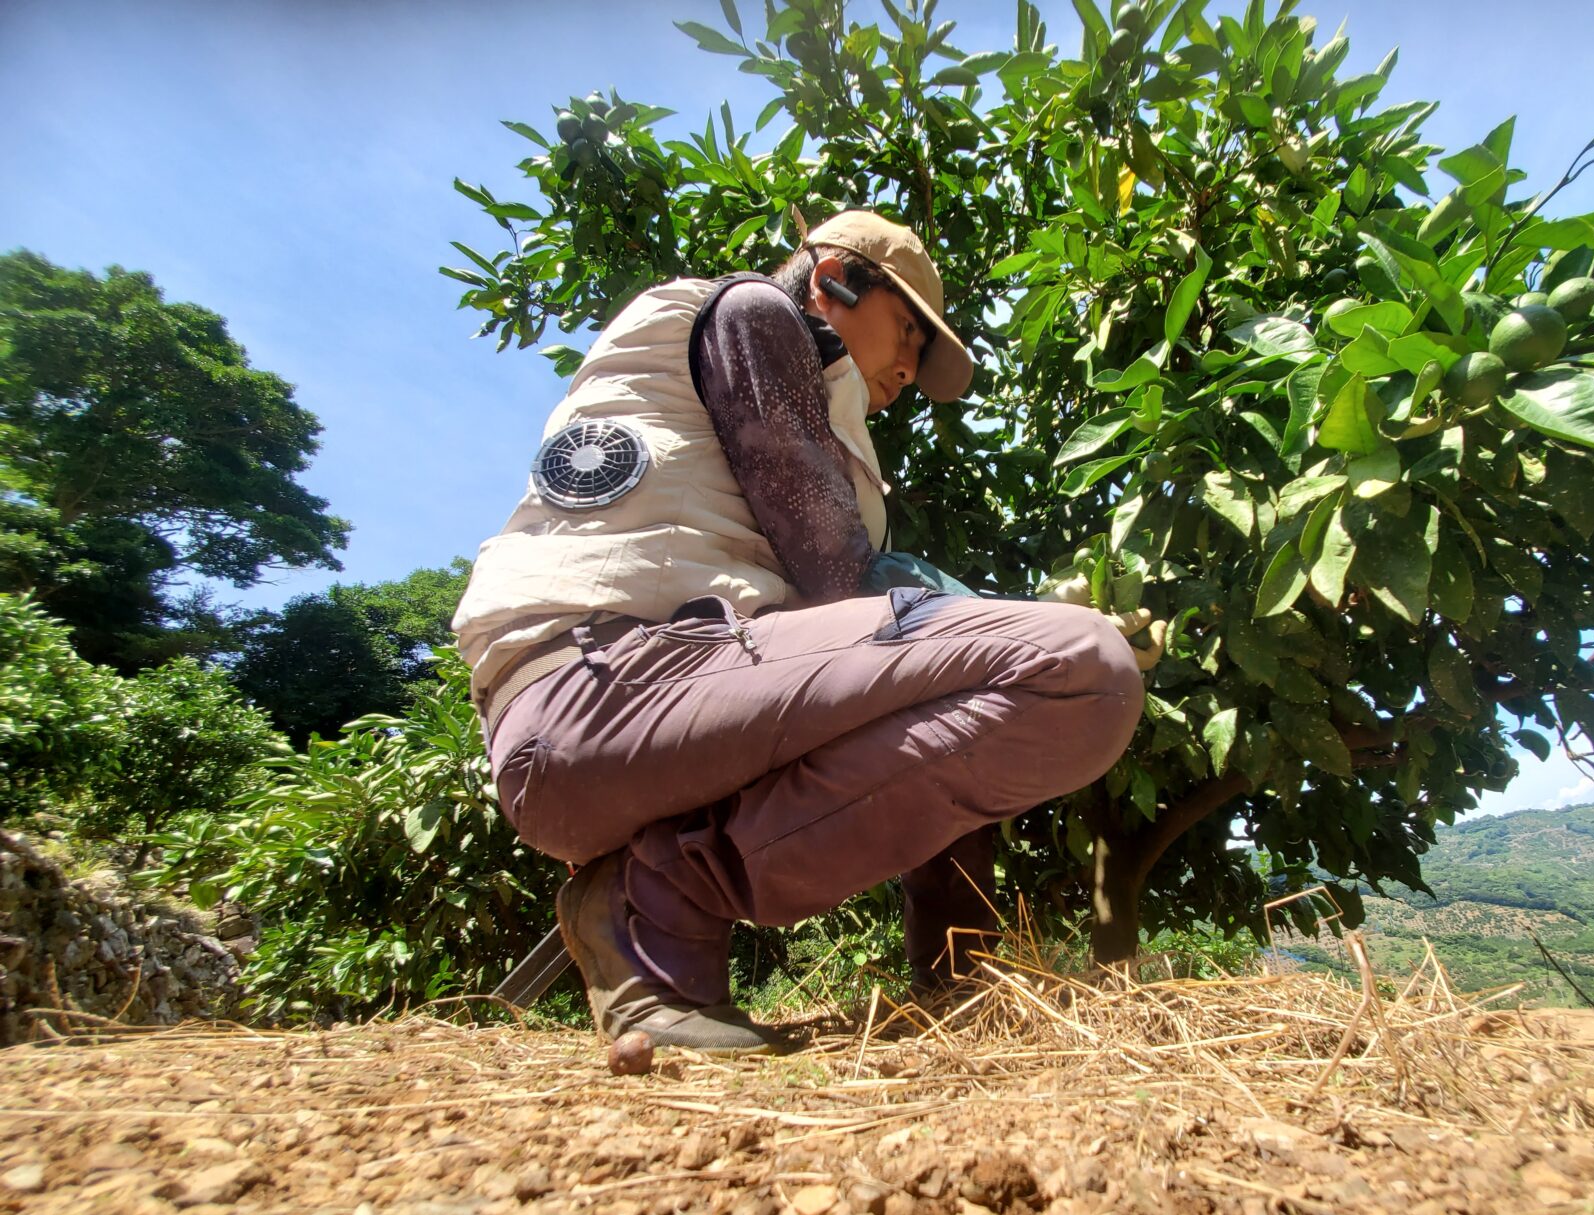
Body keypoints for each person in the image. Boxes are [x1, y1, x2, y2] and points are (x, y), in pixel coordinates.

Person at [452, 210, 1151, 1054]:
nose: (906, 368)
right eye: (906, 333)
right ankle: (650, 899)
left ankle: (954, 979)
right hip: (607, 687)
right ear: (834, 281)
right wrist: (1031, 620)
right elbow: (835, 573)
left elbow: (886, 643)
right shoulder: (755, 315)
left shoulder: (756, 366)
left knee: (969, 669)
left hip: (627, 713)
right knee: (1082, 668)